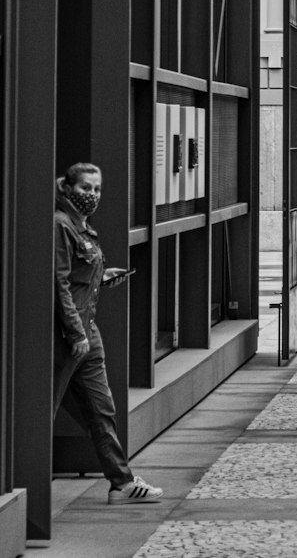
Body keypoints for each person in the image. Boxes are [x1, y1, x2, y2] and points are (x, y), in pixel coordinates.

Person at [54, 163, 163, 504]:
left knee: (102, 409)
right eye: (86, 188)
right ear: (68, 187)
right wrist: (75, 334)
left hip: (88, 329)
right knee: (46, 409)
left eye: (97, 189)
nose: (93, 195)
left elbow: (77, 276)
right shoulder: (61, 224)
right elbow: (57, 284)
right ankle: (22, 478)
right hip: (67, 336)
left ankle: (122, 481)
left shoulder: (82, 226)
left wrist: (102, 276)